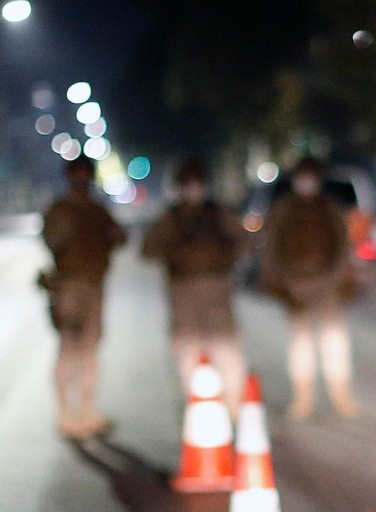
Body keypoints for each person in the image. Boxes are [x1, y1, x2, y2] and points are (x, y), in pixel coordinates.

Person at [142, 160, 249, 410]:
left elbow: (244, 242)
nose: (193, 189)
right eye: (187, 184)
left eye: (196, 184)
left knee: (227, 354)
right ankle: (199, 411)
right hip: (184, 295)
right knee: (189, 356)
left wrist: (226, 257)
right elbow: (148, 249)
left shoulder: (219, 214)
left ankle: (234, 409)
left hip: (217, 291)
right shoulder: (171, 218)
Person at [259, 157, 357, 419]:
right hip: (294, 284)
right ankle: (303, 398)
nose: (307, 183)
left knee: (333, 340)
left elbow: (342, 242)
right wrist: (276, 280)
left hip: (327, 283)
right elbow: (271, 246)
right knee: (300, 343)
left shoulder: (329, 207)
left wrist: (341, 276)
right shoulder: (283, 208)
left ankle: (341, 396)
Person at [41, 156, 126, 439]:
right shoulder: (61, 209)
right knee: (68, 348)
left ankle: (87, 409)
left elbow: (118, 238)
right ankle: (65, 411)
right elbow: (53, 240)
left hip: (94, 285)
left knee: (89, 351)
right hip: (68, 286)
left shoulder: (97, 210)